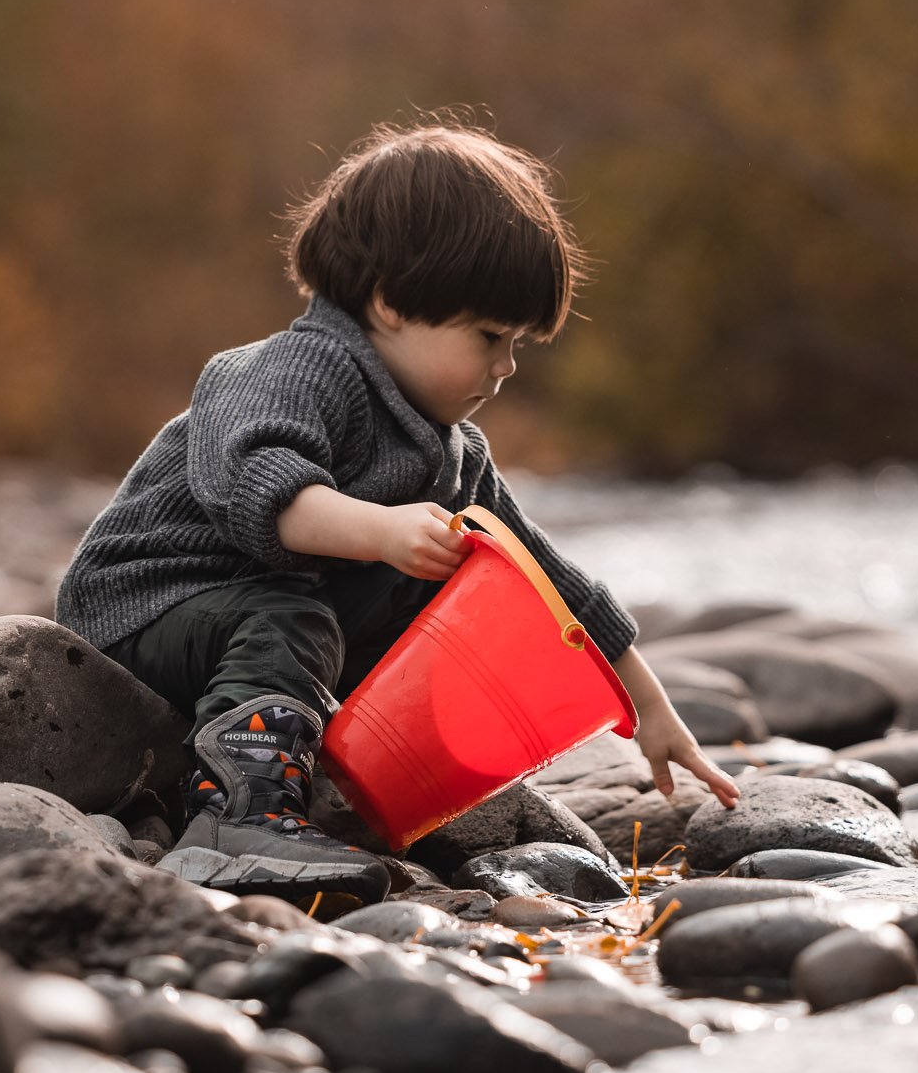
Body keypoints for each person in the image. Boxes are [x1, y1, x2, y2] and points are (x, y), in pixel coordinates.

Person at [57, 121, 739, 906]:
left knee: (430, 603)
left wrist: (650, 712)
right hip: (147, 609)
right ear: (388, 301)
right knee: (294, 616)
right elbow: (262, 487)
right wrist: (381, 530)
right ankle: (234, 823)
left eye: (519, 343)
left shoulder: (452, 451)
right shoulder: (284, 369)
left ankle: (341, 787)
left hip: (259, 618)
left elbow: (550, 587)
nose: (505, 366)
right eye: (488, 335)